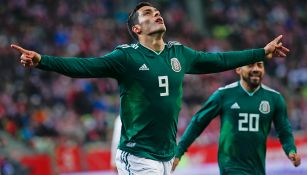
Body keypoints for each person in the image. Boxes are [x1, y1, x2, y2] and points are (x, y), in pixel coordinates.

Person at [11, 2, 290, 175]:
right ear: (136, 29)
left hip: (166, 156)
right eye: (147, 14)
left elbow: (219, 60)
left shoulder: (179, 54)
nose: (156, 15)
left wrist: (261, 51)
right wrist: (42, 61)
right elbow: (85, 66)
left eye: (157, 12)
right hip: (137, 154)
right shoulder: (125, 57)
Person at [172, 61, 301, 174]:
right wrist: (179, 151)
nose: (256, 69)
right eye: (250, 65)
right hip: (231, 167)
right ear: (238, 69)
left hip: (257, 168)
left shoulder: (274, 98)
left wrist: (291, 150)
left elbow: (284, 130)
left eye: (260, 65)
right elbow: (198, 122)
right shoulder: (224, 94)